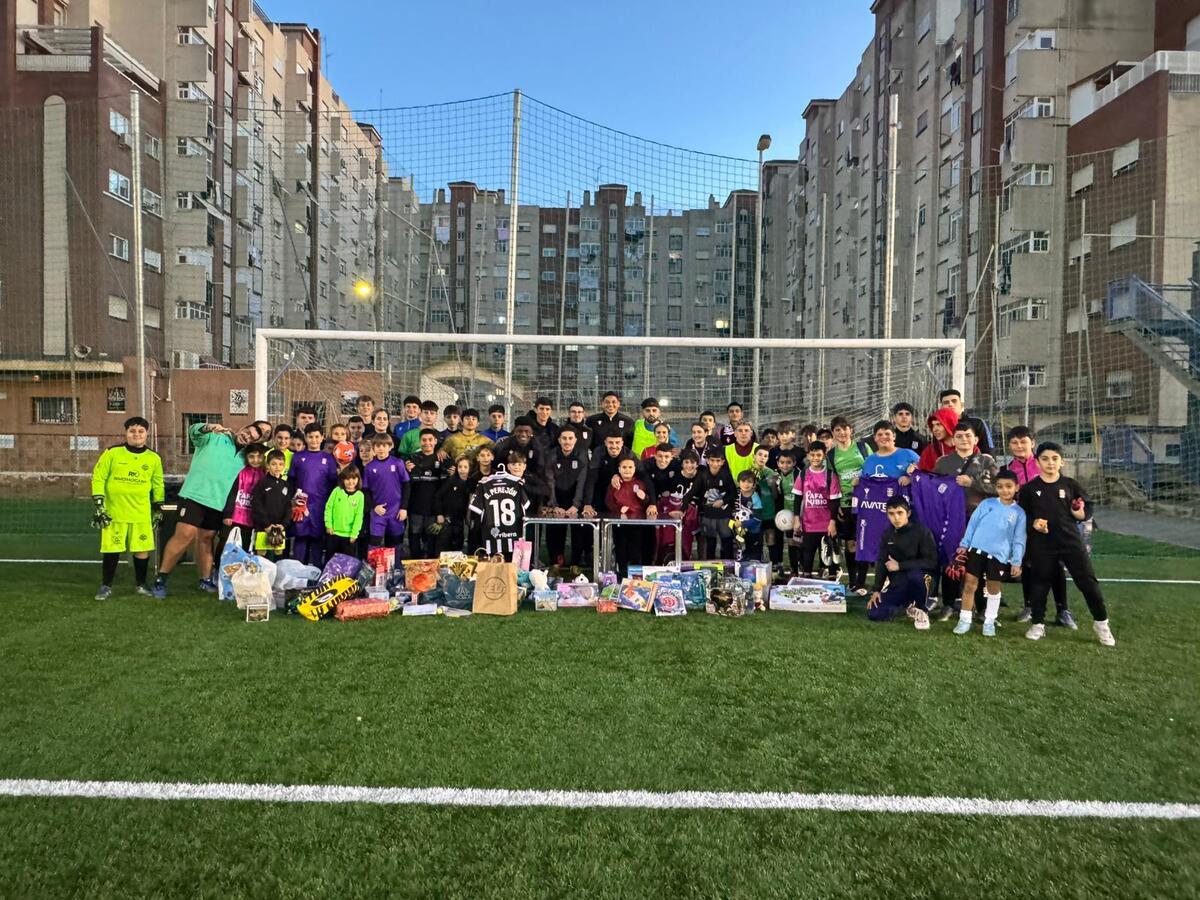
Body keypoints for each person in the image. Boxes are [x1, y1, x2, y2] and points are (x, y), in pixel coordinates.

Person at [153, 420, 263, 598]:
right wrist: (208, 427)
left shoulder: (246, 457)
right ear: (242, 428)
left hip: (218, 502)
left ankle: (205, 580)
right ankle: (161, 579)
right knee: (185, 535)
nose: (247, 437)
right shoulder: (214, 437)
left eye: (252, 438)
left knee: (206, 538)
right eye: (247, 432)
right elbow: (193, 431)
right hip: (194, 495)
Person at [1019, 443, 1114, 645]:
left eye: (1055, 458)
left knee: (1088, 582)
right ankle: (1038, 624)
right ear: (1037, 462)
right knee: (1040, 583)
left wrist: (1079, 512)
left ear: (1062, 462)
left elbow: (1085, 511)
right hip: (1042, 544)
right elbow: (1023, 516)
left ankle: (1101, 623)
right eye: (1045, 459)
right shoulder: (1029, 489)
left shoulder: (1071, 485)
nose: (1050, 463)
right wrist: (1034, 523)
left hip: (1070, 542)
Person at [90, 416, 165, 600]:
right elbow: (98, 477)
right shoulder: (112, 453)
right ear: (126, 433)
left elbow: (158, 484)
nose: (136, 434)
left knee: (142, 549)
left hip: (141, 513)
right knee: (112, 549)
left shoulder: (154, 458)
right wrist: (99, 503)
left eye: (141, 431)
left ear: (147, 433)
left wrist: (158, 507)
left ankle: (141, 585)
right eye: (132, 431)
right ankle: (106, 586)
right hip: (115, 512)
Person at [1006, 425, 1073, 628]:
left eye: (1023, 442)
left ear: (1032, 443)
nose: (1019, 446)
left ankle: (1063, 610)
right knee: (1028, 564)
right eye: (1014, 442)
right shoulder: (1008, 470)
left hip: (1052, 525)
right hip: (1026, 524)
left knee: (1056, 565)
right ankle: (1029, 606)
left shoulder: (1044, 463)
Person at [953, 470, 1027, 637]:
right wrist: (964, 544)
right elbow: (972, 525)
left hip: (998, 556)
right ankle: (964, 620)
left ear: (1016, 487)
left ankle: (989, 621)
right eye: (1000, 486)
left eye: (1008, 486)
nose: (1004, 490)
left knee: (993, 588)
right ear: (995, 488)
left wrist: (1016, 561)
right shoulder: (987, 504)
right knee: (970, 584)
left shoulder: (1019, 513)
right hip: (976, 550)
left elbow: (1019, 539)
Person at [866, 496, 936, 630]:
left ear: (908, 513)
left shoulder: (922, 532)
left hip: (922, 580)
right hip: (899, 583)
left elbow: (931, 562)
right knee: (874, 613)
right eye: (891, 514)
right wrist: (876, 590)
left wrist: (900, 566)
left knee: (914, 575)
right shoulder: (887, 534)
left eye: (900, 513)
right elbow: (882, 562)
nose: (896, 518)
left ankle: (921, 609)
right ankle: (907, 606)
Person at [288, 422, 339, 568]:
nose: (314, 440)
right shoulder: (298, 457)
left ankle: (316, 571)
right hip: (301, 505)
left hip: (320, 505)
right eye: (310, 437)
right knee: (301, 537)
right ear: (305, 438)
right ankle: (298, 572)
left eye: (317, 437)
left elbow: (333, 482)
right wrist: (292, 501)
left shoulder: (329, 459)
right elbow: (291, 480)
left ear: (322, 437)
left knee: (317, 539)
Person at [827, 416, 868, 592]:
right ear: (833, 433)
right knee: (851, 543)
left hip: (866, 502)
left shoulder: (862, 447)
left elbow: (872, 469)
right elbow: (833, 484)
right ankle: (852, 581)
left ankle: (862, 582)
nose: (842, 432)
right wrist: (835, 508)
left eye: (845, 428)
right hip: (846, 504)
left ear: (851, 430)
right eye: (838, 430)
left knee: (863, 542)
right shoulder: (831, 455)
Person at [469, 451, 532, 559]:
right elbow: (526, 505)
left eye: (519, 464)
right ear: (508, 466)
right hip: (513, 533)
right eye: (514, 464)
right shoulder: (516, 484)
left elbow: (475, 509)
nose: (516, 467)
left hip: (492, 535)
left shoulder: (484, 485)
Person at [791, 442, 840, 577]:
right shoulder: (803, 475)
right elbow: (798, 499)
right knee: (807, 556)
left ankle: (832, 581)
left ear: (824, 455)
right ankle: (807, 579)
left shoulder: (830, 475)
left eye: (819, 455)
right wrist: (796, 519)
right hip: (809, 525)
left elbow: (835, 501)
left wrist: (832, 522)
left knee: (828, 558)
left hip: (826, 525)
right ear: (808, 456)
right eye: (812, 455)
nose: (815, 458)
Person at [545, 426, 590, 567]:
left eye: (570, 438)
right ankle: (555, 564)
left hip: (575, 499)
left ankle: (575, 565)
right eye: (564, 438)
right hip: (557, 499)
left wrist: (576, 505)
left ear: (575, 440)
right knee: (555, 533)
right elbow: (549, 481)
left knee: (578, 534)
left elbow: (582, 480)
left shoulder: (582, 454)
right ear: (559, 440)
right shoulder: (552, 455)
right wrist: (554, 505)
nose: (567, 441)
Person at [685, 451, 737, 559]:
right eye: (712, 460)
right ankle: (711, 567)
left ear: (722, 462)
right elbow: (691, 492)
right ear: (707, 461)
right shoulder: (703, 475)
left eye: (718, 461)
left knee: (727, 542)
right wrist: (681, 508)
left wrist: (723, 501)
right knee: (710, 544)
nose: (715, 463)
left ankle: (729, 566)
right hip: (708, 516)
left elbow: (733, 494)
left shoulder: (726, 475)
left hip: (725, 516)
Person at [493, 417, 552, 512]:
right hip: (507, 485)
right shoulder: (503, 446)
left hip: (529, 482)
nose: (523, 434)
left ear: (532, 432)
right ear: (514, 431)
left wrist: (525, 484)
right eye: (520, 431)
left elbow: (542, 475)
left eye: (526, 431)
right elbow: (495, 468)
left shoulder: (538, 447)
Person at [362, 434, 410, 550]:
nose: (381, 448)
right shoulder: (369, 467)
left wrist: (403, 508)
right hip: (378, 512)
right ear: (373, 448)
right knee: (374, 542)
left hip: (396, 511)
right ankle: (372, 562)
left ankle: (395, 562)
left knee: (395, 542)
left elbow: (406, 485)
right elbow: (365, 491)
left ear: (390, 446)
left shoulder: (398, 463)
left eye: (384, 445)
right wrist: (374, 506)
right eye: (378, 446)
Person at [606, 456, 652, 575]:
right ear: (619, 469)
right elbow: (608, 502)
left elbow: (646, 503)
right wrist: (618, 509)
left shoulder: (640, 484)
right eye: (624, 467)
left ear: (635, 469)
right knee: (621, 548)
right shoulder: (614, 484)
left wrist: (644, 498)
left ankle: (635, 576)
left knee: (636, 548)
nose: (627, 470)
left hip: (637, 523)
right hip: (619, 523)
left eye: (630, 467)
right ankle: (621, 574)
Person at [406, 428, 447, 557]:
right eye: (424, 440)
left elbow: (446, 485)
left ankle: (431, 565)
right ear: (420, 442)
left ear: (435, 441)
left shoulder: (442, 460)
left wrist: (440, 511)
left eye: (430, 440)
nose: (427, 443)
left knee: (431, 541)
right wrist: (406, 470)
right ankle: (414, 564)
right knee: (414, 538)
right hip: (415, 508)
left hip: (433, 509)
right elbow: (406, 482)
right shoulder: (412, 459)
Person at [221, 442, 267, 551]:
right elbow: (232, 493)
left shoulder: (264, 475)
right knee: (225, 545)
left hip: (251, 519)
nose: (255, 460)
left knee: (245, 547)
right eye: (251, 456)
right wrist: (228, 514)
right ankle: (219, 562)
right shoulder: (240, 472)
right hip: (234, 517)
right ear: (246, 457)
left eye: (259, 457)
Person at [250, 449, 292, 560]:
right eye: (274, 464)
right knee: (261, 559)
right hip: (263, 528)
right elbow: (257, 505)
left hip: (279, 529)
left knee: (277, 558)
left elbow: (288, 507)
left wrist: (283, 525)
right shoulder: (262, 483)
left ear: (284, 466)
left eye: (280, 464)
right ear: (268, 465)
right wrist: (266, 525)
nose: (277, 467)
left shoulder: (286, 485)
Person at [435, 456, 474, 553]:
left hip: (461, 520)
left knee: (458, 546)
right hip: (447, 519)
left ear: (470, 469)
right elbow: (437, 496)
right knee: (444, 546)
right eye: (460, 467)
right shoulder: (451, 481)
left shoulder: (471, 483)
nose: (462, 469)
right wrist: (439, 514)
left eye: (465, 467)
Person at [324, 466, 364, 560]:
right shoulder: (337, 491)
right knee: (330, 561)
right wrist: (328, 525)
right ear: (342, 479)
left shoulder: (360, 496)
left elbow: (359, 516)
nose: (351, 481)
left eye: (354, 478)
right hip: (333, 533)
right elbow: (328, 508)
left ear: (358, 479)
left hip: (348, 536)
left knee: (346, 563)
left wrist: (354, 534)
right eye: (347, 479)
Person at [939, 389, 993, 455]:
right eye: (946, 402)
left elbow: (988, 450)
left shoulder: (977, 423)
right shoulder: (938, 426)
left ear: (961, 405)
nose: (950, 404)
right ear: (941, 407)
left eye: (954, 401)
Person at [733, 470, 763, 562]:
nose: (746, 484)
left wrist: (742, 524)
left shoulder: (755, 498)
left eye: (749, 482)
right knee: (740, 555)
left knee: (754, 556)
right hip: (739, 531)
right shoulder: (736, 494)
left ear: (754, 484)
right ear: (738, 482)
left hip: (753, 532)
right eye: (743, 481)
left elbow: (758, 519)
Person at [917, 408, 958, 472]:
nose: (934, 429)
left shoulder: (968, 447)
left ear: (950, 424)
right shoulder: (929, 451)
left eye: (938, 424)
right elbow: (922, 475)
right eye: (933, 425)